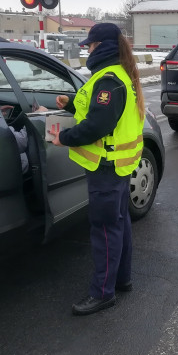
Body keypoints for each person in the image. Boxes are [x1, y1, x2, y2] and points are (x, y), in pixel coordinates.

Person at [49, 23, 146, 316]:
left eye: (89, 45)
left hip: (106, 166)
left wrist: (63, 137)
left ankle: (103, 293)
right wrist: (70, 106)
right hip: (117, 164)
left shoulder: (108, 80)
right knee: (119, 223)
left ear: (101, 46)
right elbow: (100, 114)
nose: (86, 50)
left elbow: (97, 125)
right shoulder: (118, 75)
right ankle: (122, 279)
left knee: (105, 229)